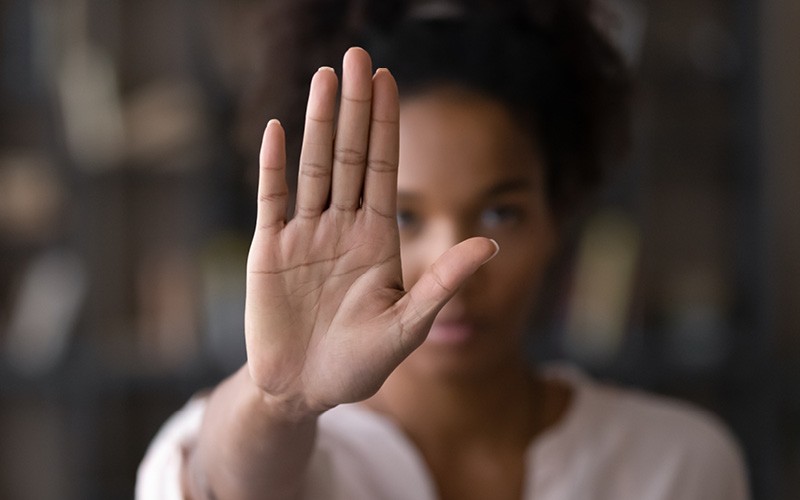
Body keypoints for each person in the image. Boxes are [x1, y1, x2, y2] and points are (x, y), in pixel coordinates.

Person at [137, 1, 750, 499]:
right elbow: (227, 479)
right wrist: (280, 399)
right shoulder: (255, 439)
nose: (449, 272)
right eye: (403, 215)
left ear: (556, 218)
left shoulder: (676, 464)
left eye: (498, 213)